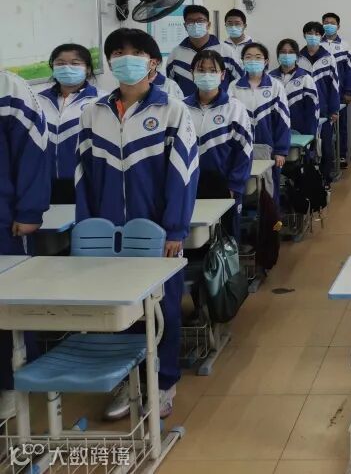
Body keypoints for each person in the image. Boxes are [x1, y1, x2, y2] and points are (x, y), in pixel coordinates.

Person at [75, 28, 198, 420]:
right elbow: (83, 176)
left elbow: (183, 174)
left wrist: (175, 229)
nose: (125, 59)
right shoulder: (93, 113)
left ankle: (163, 384)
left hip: (157, 232)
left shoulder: (172, 110)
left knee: (163, 312)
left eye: (135, 53)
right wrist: (87, 230)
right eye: (117, 53)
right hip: (108, 233)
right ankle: (127, 383)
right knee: (118, 310)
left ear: (153, 62)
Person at [0, 66, 49, 420]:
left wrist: (30, 210)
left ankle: (10, 384)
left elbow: (33, 149)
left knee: (7, 306)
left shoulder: (9, 88)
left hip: (4, 222)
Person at [184, 49, 253, 244]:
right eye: (201, 70)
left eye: (212, 70)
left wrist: (234, 186)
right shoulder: (181, 108)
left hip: (223, 185)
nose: (206, 75)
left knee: (225, 238)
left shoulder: (234, 108)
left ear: (222, 75)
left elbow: (245, 150)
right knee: (193, 239)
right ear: (192, 73)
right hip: (189, 185)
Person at [35, 44, 102, 203]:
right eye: (60, 63)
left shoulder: (101, 100)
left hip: (86, 182)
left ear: (88, 69)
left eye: (75, 63)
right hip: (42, 182)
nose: (66, 68)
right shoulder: (37, 101)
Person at [231, 43, 291, 204]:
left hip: (268, 148)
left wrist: (281, 150)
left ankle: (272, 219)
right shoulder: (234, 87)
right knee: (241, 190)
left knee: (269, 191)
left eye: (258, 57)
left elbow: (283, 120)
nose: (253, 61)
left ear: (266, 61)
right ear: (242, 61)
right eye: (248, 57)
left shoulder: (275, 86)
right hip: (240, 149)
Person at [298, 21, 340, 183]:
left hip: (324, 111)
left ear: (321, 36)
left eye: (316, 34)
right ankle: (307, 182)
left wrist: (334, 109)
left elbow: (334, 85)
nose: (313, 36)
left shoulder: (328, 58)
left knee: (326, 148)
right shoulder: (298, 57)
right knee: (307, 149)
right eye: (310, 33)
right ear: (304, 35)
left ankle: (326, 180)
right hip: (304, 112)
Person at [167, 5, 242, 96]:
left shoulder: (227, 51)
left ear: (208, 24)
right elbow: (170, 86)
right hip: (185, 104)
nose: (195, 24)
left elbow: (240, 83)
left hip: (222, 104)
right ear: (185, 26)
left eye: (200, 20)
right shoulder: (176, 54)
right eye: (190, 21)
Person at [322, 13, 351, 168]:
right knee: (324, 126)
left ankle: (341, 155)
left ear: (338, 26)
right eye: (326, 22)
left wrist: (349, 91)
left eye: (332, 23)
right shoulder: (318, 44)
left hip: (340, 93)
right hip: (322, 93)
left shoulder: (345, 45)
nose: (329, 25)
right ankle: (325, 156)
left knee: (341, 125)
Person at [271, 39, 320, 137]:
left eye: (291, 52)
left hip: (299, 131)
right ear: (278, 55)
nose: (287, 55)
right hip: (275, 130)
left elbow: (312, 110)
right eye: (283, 52)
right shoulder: (270, 77)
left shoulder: (305, 78)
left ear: (297, 56)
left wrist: (310, 136)